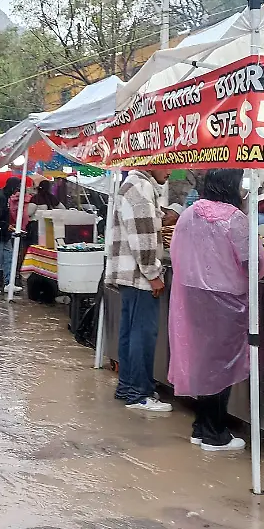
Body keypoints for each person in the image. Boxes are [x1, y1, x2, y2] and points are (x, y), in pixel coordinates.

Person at [168, 169, 264, 451]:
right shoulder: (235, 219)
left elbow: (176, 252)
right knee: (222, 365)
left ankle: (201, 426)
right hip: (226, 301)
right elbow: (254, 262)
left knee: (203, 361)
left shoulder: (189, 214)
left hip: (192, 296)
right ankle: (214, 433)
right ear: (234, 186)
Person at [107, 166, 173, 413]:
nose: (170, 172)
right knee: (143, 334)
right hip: (138, 276)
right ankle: (139, 393)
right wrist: (153, 273)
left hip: (129, 275)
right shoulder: (140, 187)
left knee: (130, 333)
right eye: (168, 165)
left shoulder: (133, 184)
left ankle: (127, 387)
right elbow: (143, 237)